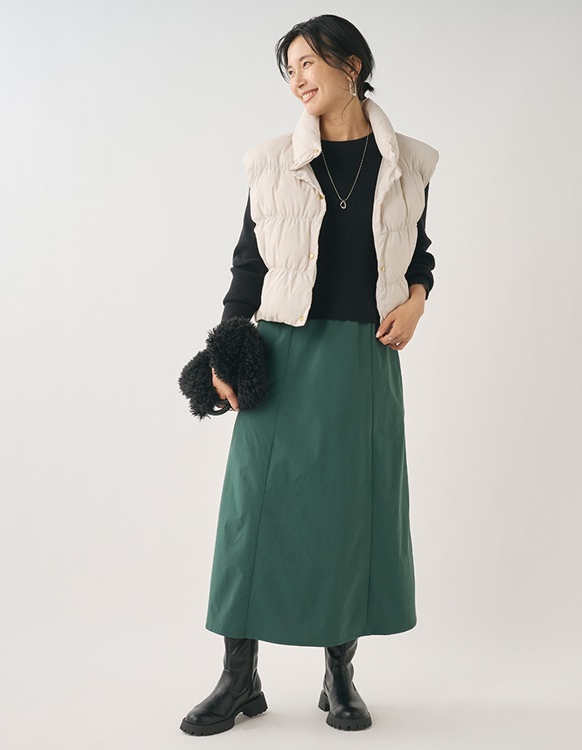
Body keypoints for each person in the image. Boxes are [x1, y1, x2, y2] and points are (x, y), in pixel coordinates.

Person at [180, 14, 439, 736]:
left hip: (363, 359)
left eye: (307, 63)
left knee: (348, 516)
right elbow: (249, 264)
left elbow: (418, 255)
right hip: (281, 353)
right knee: (251, 516)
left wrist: (416, 302)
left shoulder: (408, 164)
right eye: (288, 68)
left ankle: (339, 676)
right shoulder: (271, 163)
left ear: (351, 65)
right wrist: (226, 353)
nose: (296, 78)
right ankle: (238, 677)